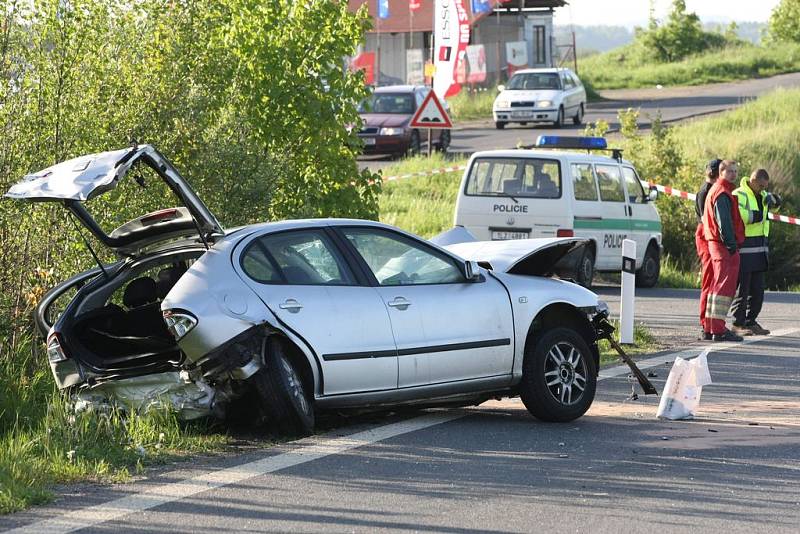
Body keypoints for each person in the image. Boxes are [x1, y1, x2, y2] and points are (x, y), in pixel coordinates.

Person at [730, 169, 781, 336]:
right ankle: (738, 324)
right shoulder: (740, 194)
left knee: (758, 290)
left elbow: (775, 209)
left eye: (765, 187)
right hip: (745, 249)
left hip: (760, 248)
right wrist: (760, 214)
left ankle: (751, 321)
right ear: (753, 180)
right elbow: (742, 216)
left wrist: (775, 200)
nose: (763, 189)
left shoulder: (762, 193)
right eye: (761, 186)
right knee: (742, 290)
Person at [702, 160, 745, 342]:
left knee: (715, 288)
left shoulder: (717, 190)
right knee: (723, 289)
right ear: (721, 172)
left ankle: (711, 327)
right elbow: (724, 223)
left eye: (735, 171)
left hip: (716, 245)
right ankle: (718, 330)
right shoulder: (722, 192)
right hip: (724, 247)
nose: (734, 175)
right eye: (730, 172)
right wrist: (732, 245)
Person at [695, 158, 721, 340]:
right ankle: (706, 324)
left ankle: (709, 323)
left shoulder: (705, 189)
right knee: (709, 280)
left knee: (711, 281)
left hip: (706, 234)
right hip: (707, 235)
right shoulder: (708, 192)